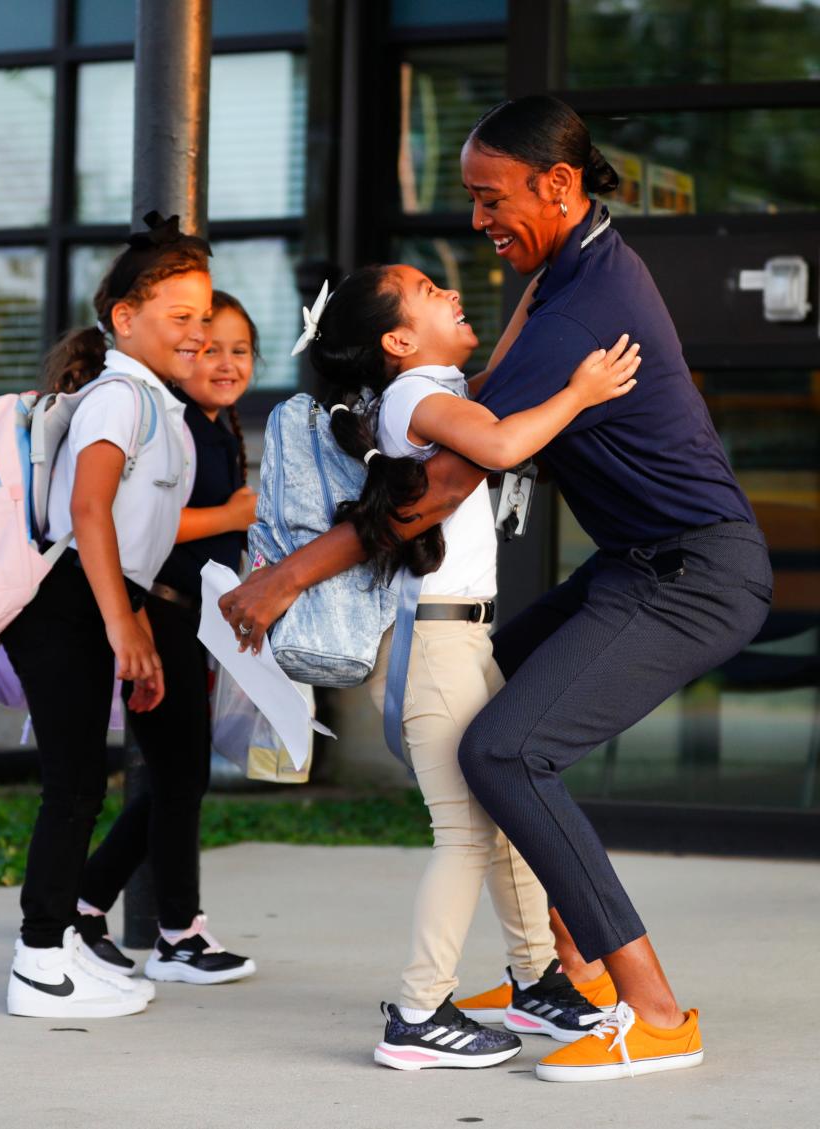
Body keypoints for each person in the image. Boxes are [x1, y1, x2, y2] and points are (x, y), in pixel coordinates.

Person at [219, 96, 772, 1082]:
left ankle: (651, 1008)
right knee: (493, 702)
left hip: (694, 573)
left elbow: (439, 487)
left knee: (507, 747)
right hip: (638, 562)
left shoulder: (583, 304)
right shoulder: (568, 268)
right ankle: (565, 978)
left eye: (489, 197)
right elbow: (499, 392)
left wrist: (284, 577)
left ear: (555, 185)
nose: (476, 220)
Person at [300, 263, 640, 1070]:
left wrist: (534, 295)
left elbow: (493, 377)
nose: (450, 290)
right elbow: (501, 439)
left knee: (509, 816)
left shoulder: (430, 390)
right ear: (397, 339)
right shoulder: (418, 401)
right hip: (435, 644)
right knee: (464, 832)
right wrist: (582, 392)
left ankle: (534, 982)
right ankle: (419, 1011)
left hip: (464, 639)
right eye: (427, 289)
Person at [3, 213, 212, 1019]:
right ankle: (36, 959)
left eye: (204, 317)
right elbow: (90, 510)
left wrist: (135, 624)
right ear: (125, 320)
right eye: (179, 319)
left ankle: (56, 947)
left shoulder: (157, 402)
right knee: (73, 785)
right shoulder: (120, 394)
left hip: (97, 597)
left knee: (83, 783)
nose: (196, 334)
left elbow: (131, 534)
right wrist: (122, 622)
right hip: (66, 600)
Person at [75, 292, 259, 986]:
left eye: (240, 350)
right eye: (209, 346)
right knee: (178, 775)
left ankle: (87, 904)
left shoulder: (216, 427)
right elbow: (141, 520)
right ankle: (175, 931)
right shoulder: (171, 423)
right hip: (156, 610)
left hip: (193, 617)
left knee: (178, 775)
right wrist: (232, 513)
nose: (224, 360)